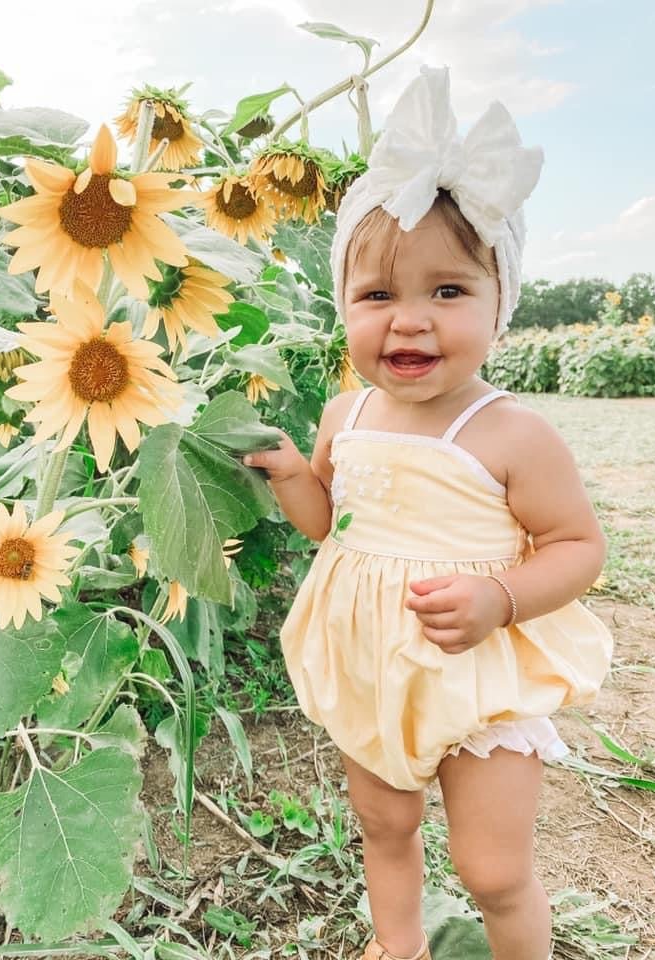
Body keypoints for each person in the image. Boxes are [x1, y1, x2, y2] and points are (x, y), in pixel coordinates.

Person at [242, 66, 613, 960]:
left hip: (477, 669)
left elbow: (577, 546)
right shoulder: (345, 415)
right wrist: (296, 475)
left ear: (500, 303)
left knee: (493, 869)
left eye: (448, 292)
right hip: (371, 661)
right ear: (345, 307)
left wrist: (502, 599)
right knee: (383, 824)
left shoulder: (511, 431)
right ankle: (397, 944)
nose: (410, 322)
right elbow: (332, 524)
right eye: (378, 296)